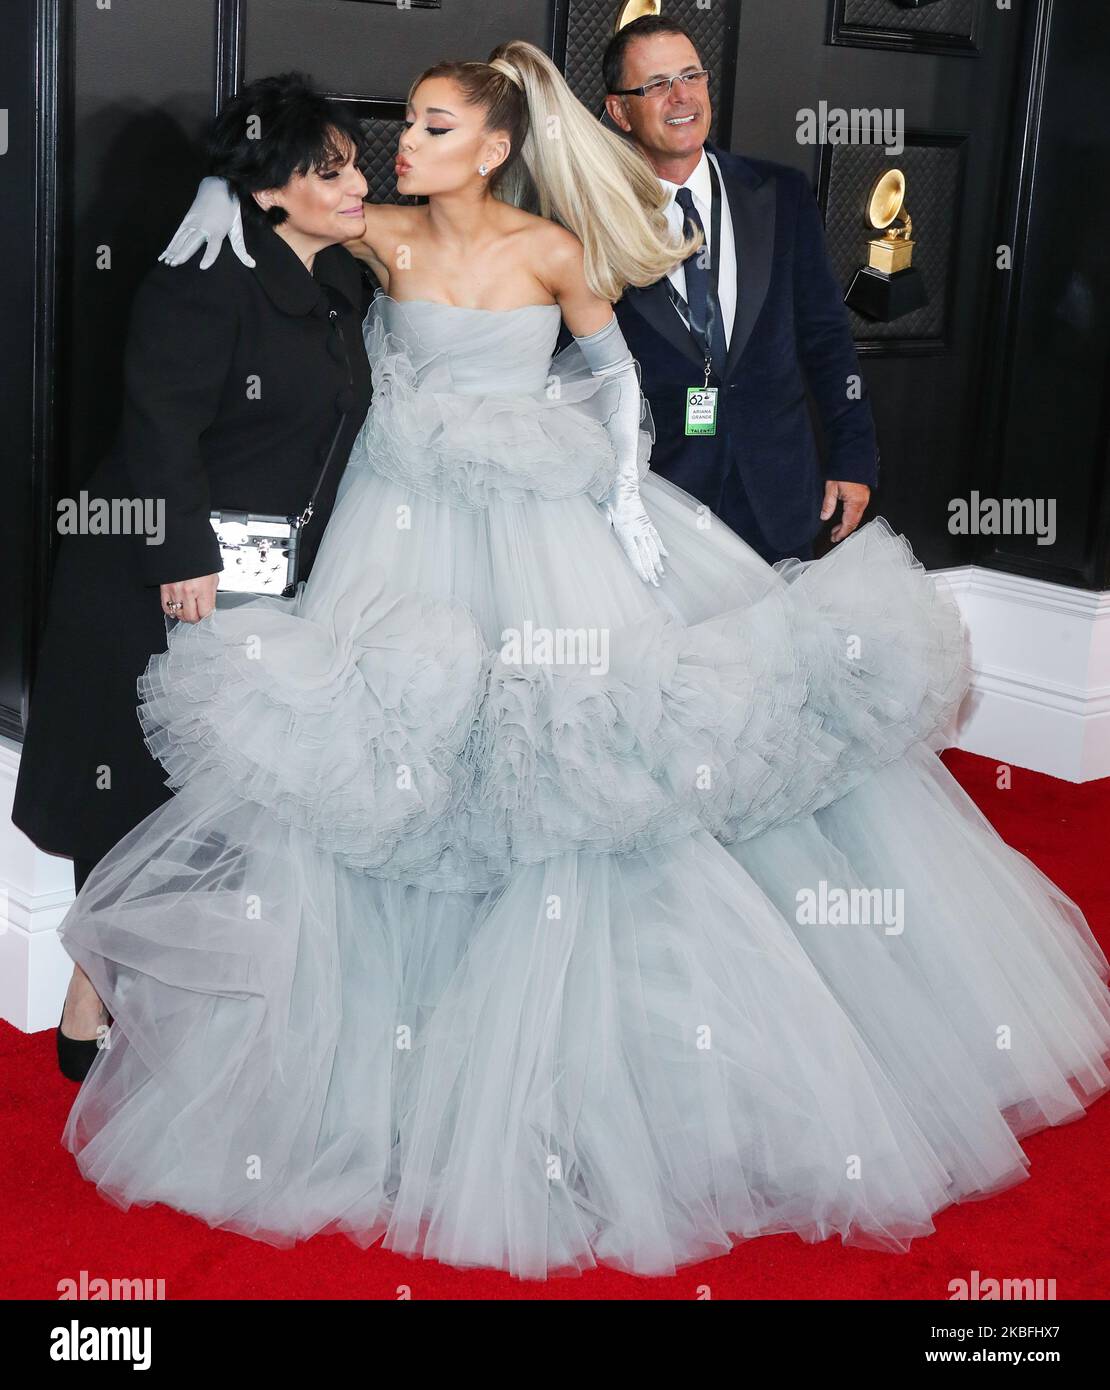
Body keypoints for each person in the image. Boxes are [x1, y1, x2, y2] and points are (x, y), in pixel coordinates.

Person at [54, 40, 1110, 1280]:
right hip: (396, 535)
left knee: (574, 762)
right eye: (412, 130)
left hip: (545, 530)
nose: (406, 147)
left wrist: (622, 512)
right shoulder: (381, 234)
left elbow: (617, 392)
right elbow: (280, 197)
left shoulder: (555, 250)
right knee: (396, 753)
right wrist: (212, 194)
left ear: (496, 146)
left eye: (437, 129)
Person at [12, 73, 373, 1081]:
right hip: (156, 580)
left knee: (212, 804)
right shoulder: (206, 274)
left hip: (268, 583)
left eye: (353, 165)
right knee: (130, 793)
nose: (356, 185)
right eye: (327, 170)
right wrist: (184, 557)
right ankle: (95, 1004)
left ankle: (133, 1002)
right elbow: (158, 424)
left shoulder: (341, 280)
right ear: (269, 191)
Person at [601, 14, 878, 564]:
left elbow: (826, 338)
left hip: (779, 495)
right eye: (655, 85)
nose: (681, 97)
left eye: (691, 76)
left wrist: (853, 456)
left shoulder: (781, 194)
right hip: (660, 500)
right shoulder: (593, 219)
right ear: (619, 111)